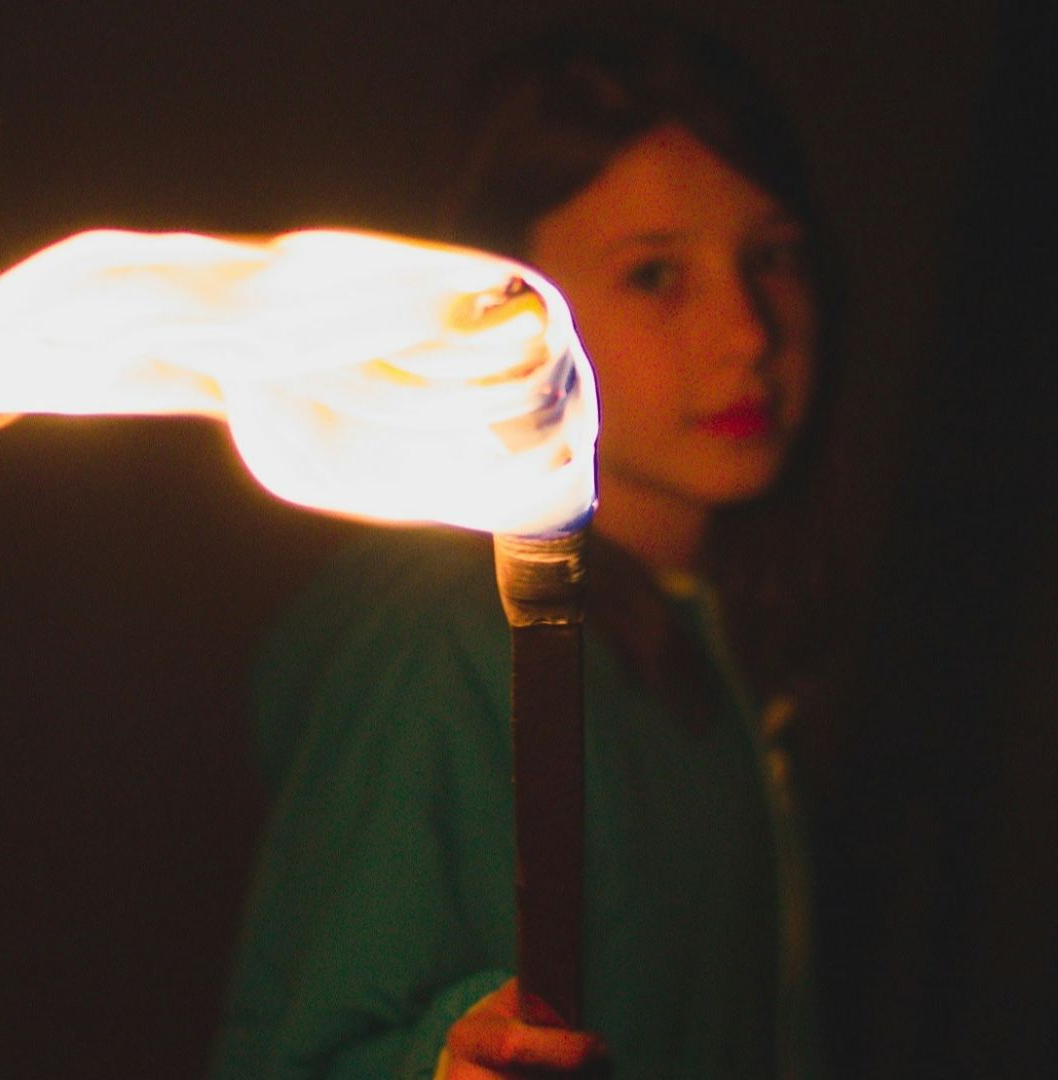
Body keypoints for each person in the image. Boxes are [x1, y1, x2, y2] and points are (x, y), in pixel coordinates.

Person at [213, 12, 843, 1078]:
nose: (747, 334)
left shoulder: (733, 626)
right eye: (656, 276)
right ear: (510, 317)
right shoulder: (444, 651)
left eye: (772, 257)